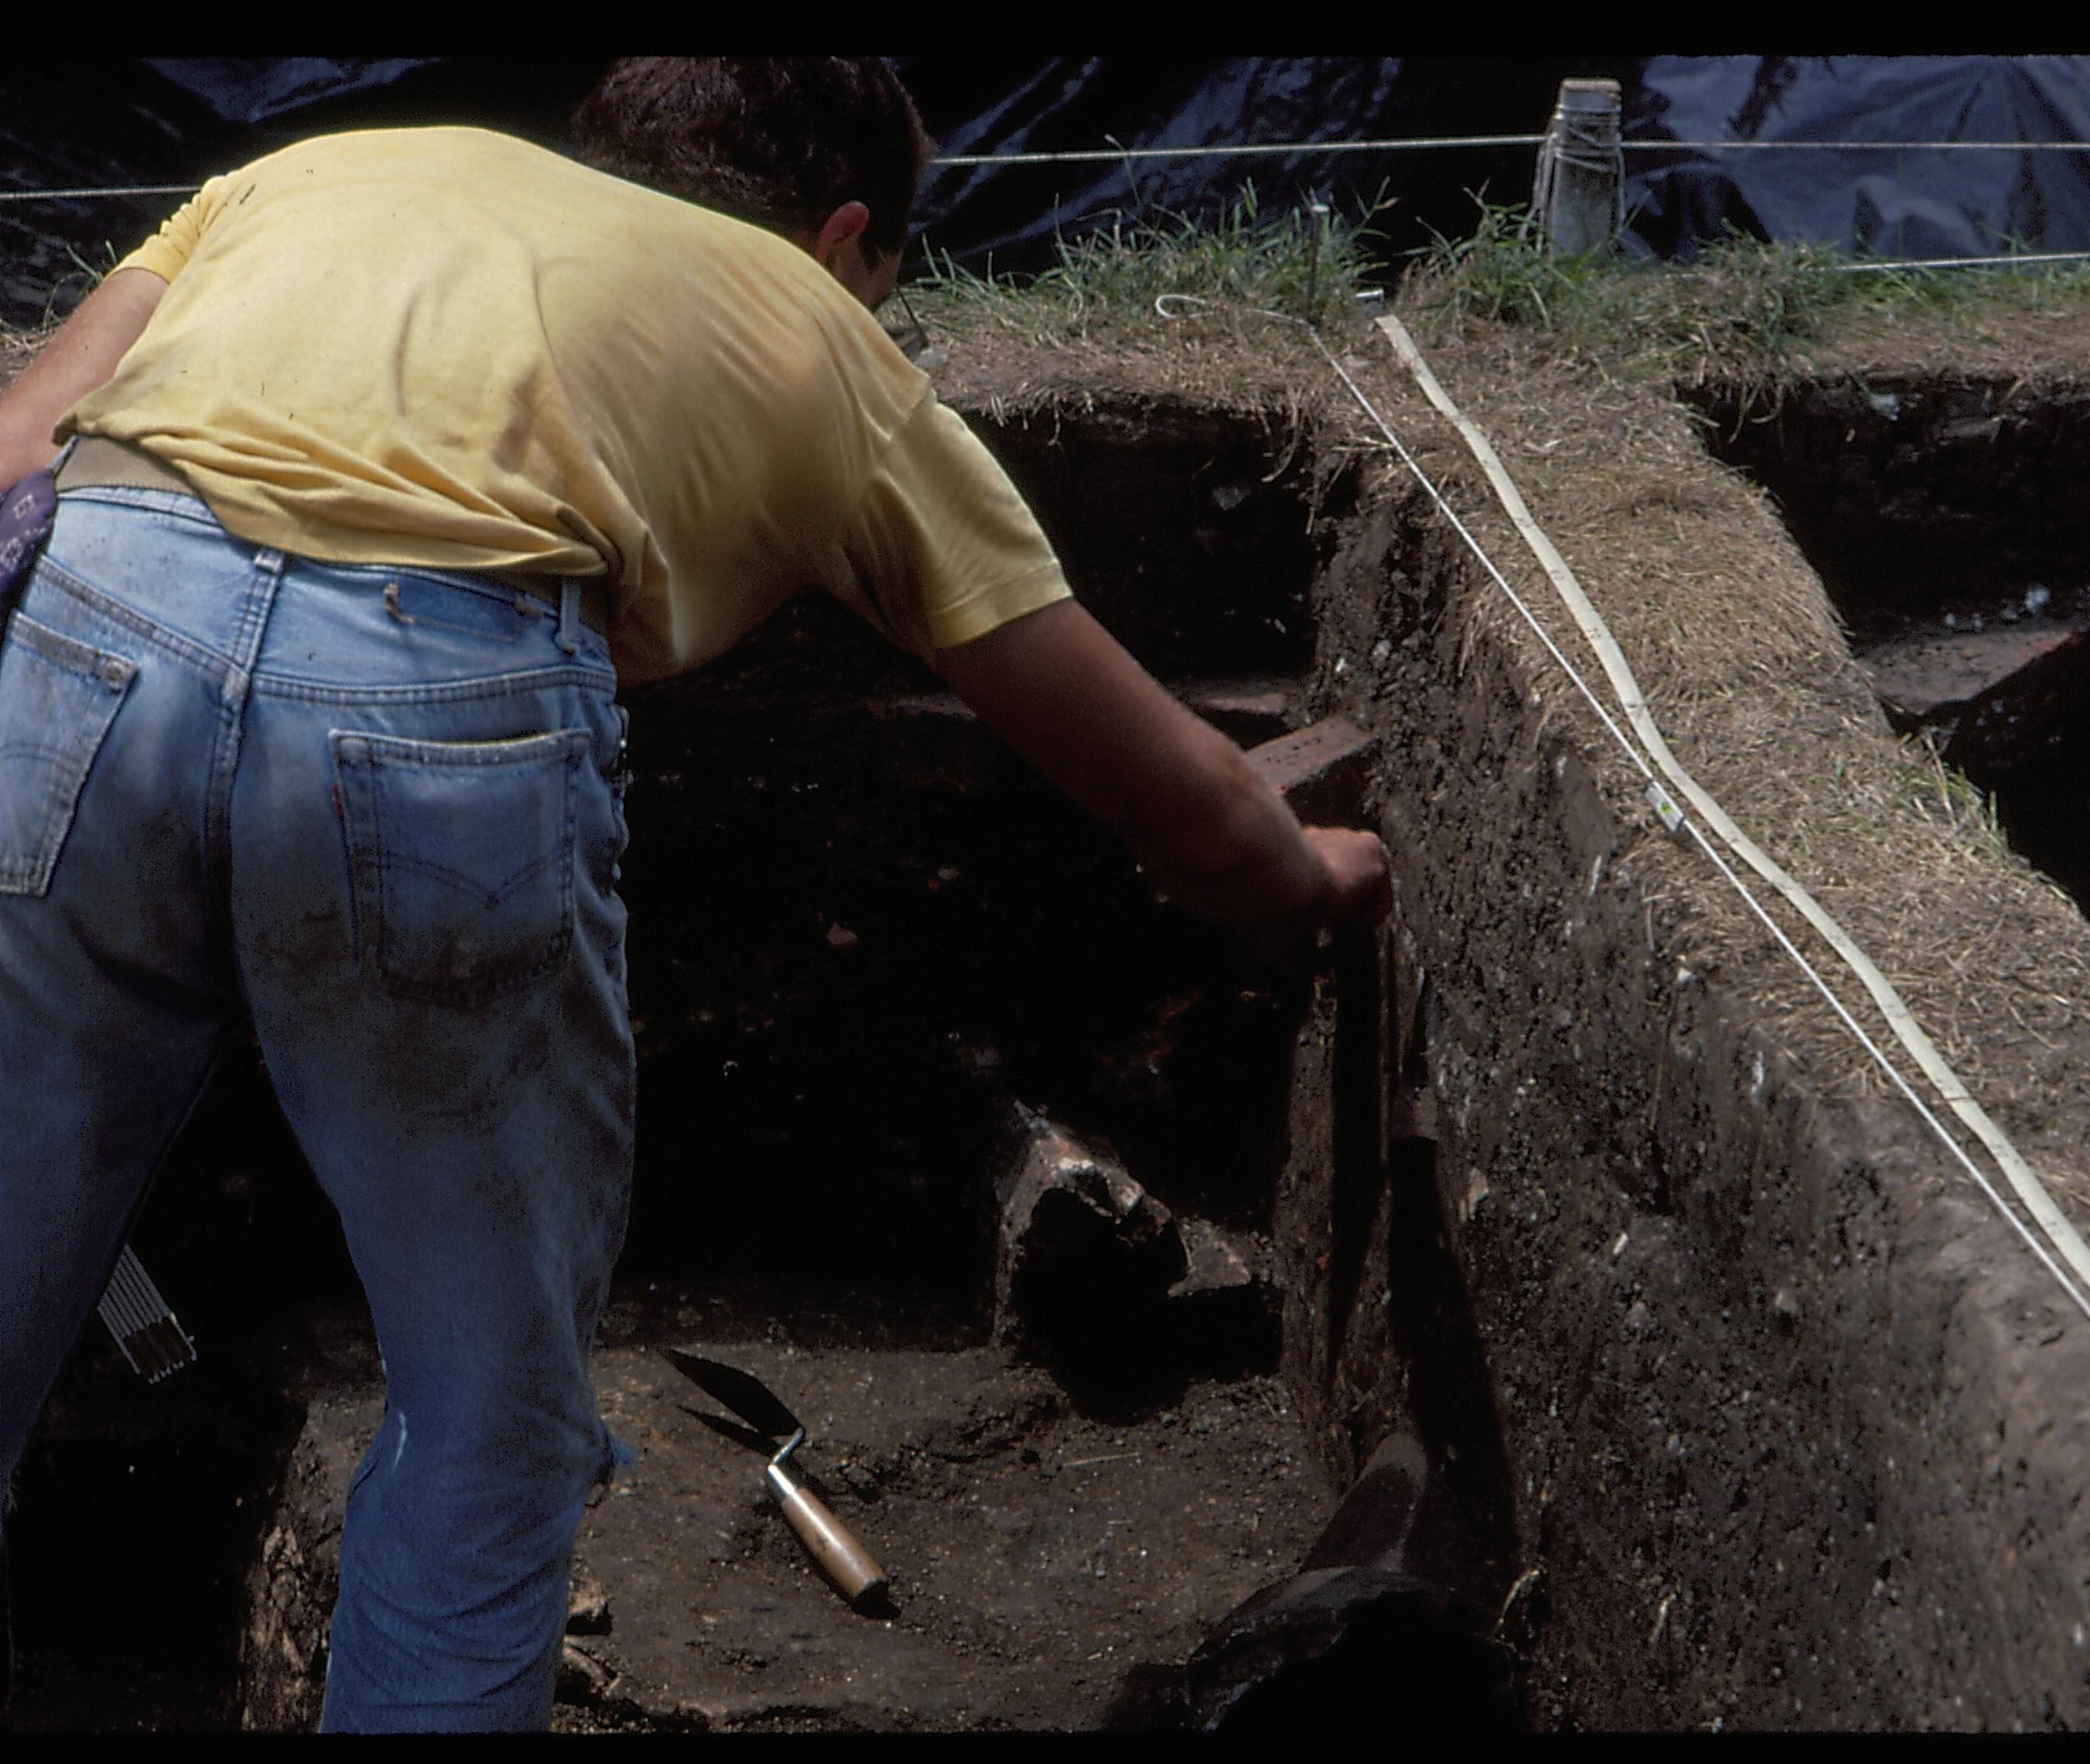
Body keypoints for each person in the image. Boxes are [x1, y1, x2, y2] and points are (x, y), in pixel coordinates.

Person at [0, 58, 1389, 1732]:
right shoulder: (820, 336)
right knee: (488, 1413)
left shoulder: (321, 169)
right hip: (436, 711)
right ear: (850, 235)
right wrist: (1295, 873)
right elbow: (1149, 768)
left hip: (95, 639)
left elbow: (23, 443)